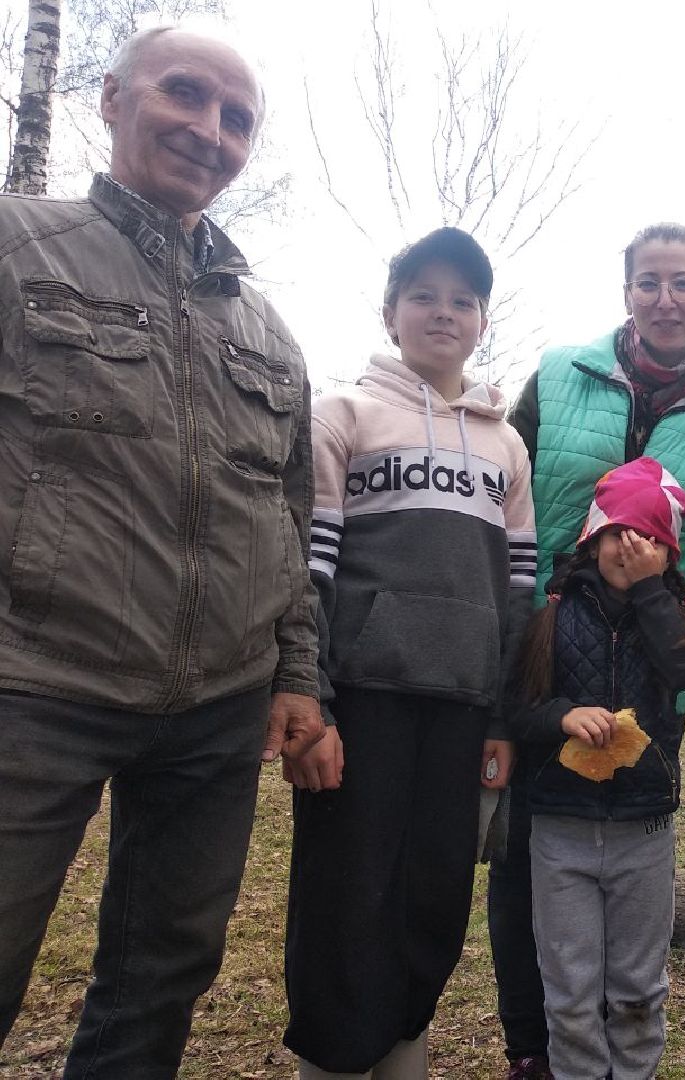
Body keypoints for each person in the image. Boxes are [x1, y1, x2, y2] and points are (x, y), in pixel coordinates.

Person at [0, 26, 325, 1077]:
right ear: (112, 97)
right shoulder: (17, 250)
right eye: (185, 96)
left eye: (237, 119)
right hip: (34, 683)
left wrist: (297, 675)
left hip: (217, 711)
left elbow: (285, 514)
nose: (209, 131)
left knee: (163, 973)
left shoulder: (269, 332)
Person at [490, 222, 685, 1079]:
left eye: (684, 283)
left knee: (632, 815)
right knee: (526, 863)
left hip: (653, 660)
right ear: (628, 293)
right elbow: (503, 482)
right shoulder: (562, 372)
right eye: (650, 282)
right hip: (546, 653)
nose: (666, 299)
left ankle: (628, 1046)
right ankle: (538, 1052)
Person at [281, 228, 534, 1078]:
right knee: (347, 896)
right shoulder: (342, 415)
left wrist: (501, 717)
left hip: (462, 707)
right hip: (362, 699)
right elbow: (308, 569)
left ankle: (404, 1056)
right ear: (390, 313)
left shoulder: (506, 446)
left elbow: (519, 596)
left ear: (482, 320)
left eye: (463, 299)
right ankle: (333, 1059)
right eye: (423, 295)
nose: (443, 311)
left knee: (433, 896)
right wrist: (309, 700)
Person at [508, 457, 685, 1080]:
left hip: (644, 831)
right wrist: (565, 716)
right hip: (561, 828)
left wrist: (652, 590)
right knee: (569, 992)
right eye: (617, 533)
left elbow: (682, 672)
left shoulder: (681, 620)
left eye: (647, 538)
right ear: (592, 537)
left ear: (668, 553)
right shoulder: (551, 614)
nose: (629, 548)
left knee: (636, 992)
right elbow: (519, 710)